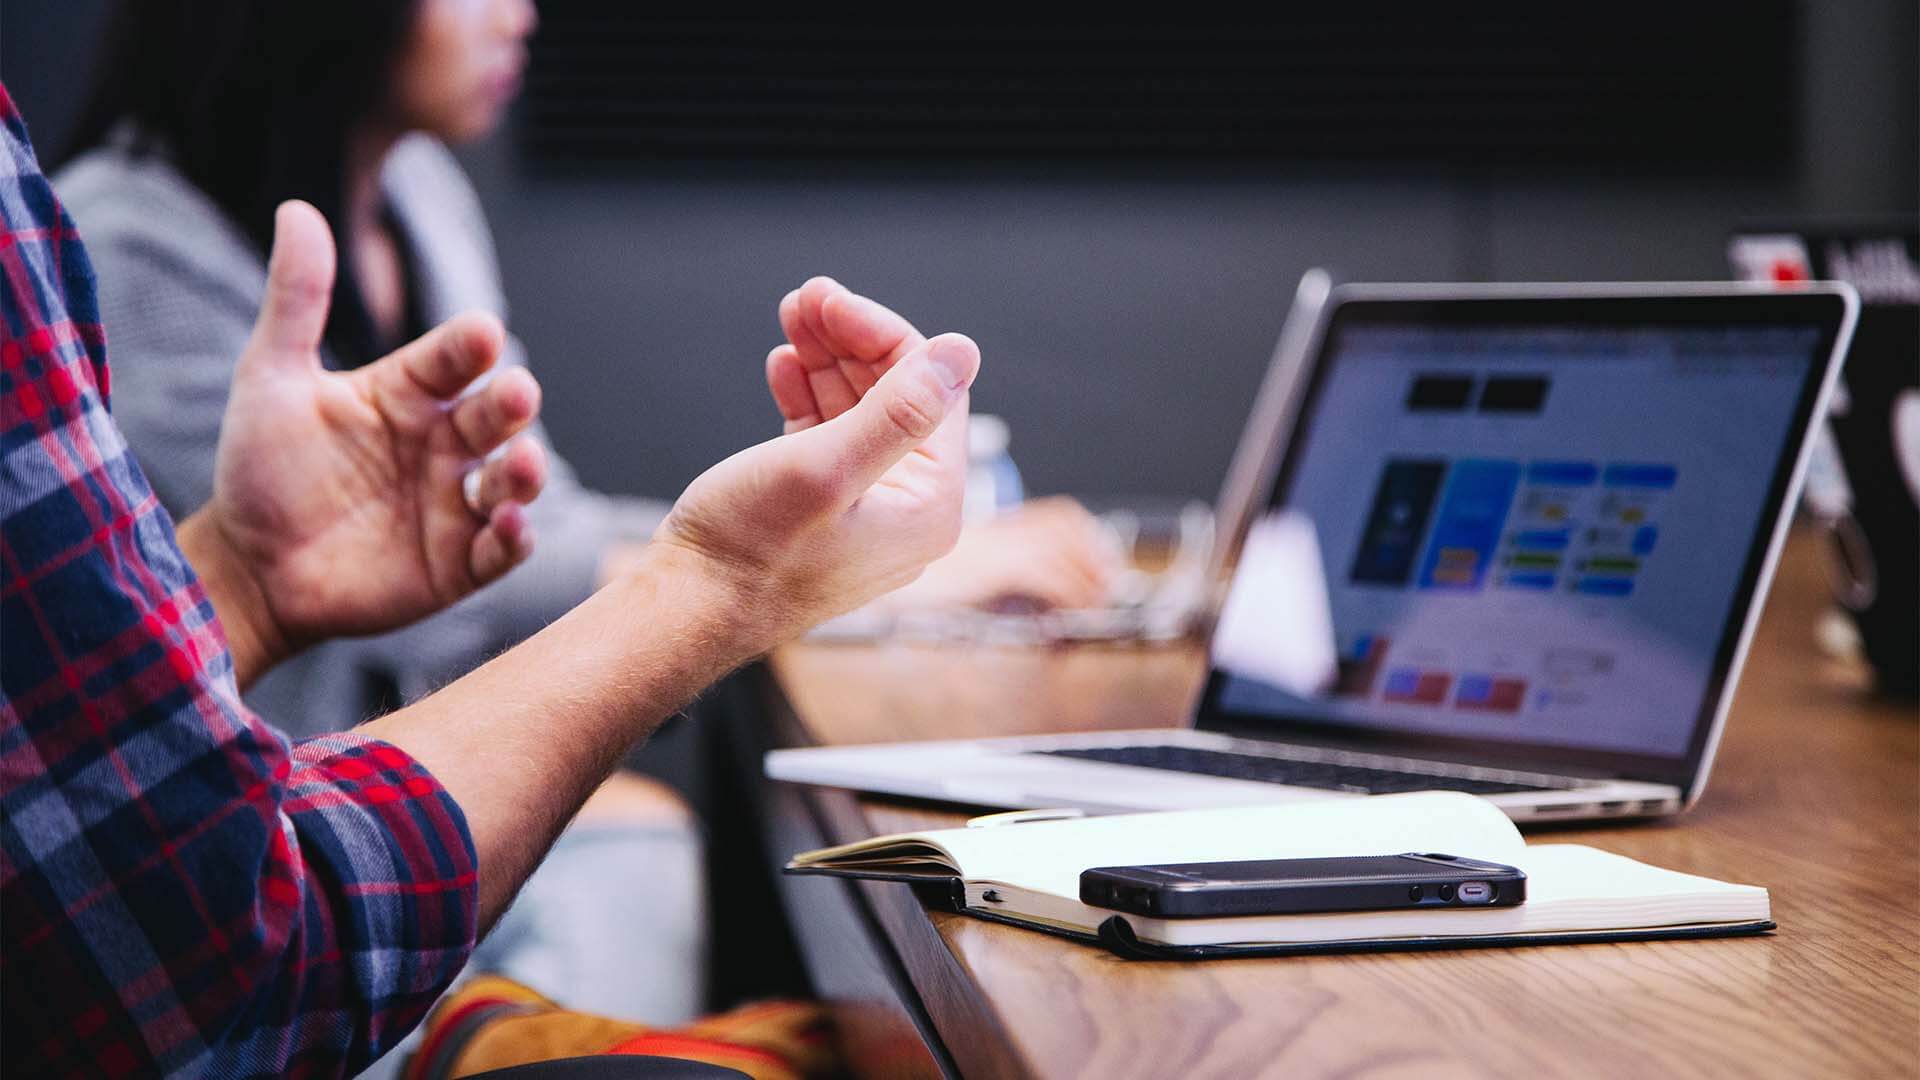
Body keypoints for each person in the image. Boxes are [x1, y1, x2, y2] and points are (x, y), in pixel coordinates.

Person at [0, 74, 982, 1079]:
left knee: (646, 855)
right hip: (283, 964)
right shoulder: (123, 235)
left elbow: (57, 726)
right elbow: (216, 968)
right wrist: (724, 582)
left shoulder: (419, 190)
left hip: (307, 897)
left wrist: (244, 584)